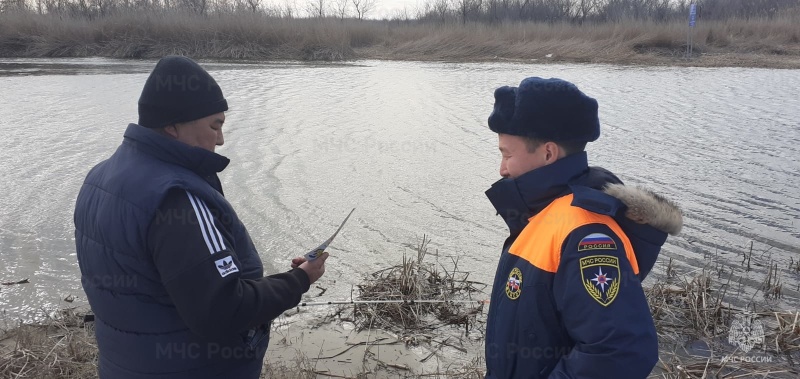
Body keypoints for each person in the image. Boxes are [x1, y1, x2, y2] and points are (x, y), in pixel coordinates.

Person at [74, 55, 328, 379]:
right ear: (173, 125)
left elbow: (145, 287)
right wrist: (299, 280)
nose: (221, 139)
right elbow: (223, 310)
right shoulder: (175, 198)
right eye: (215, 125)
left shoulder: (99, 179)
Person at [482, 77, 683, 378]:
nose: (502, 168)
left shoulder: (586, 233)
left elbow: (621, 350)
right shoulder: (543, 213)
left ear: (548, 153)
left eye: (507, 154)